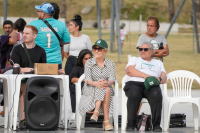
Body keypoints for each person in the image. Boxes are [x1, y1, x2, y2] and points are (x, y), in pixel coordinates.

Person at [124, 42, 167, 132]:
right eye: (140, 49)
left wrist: (158, 79)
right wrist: (147, 76)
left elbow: (164, 77)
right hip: (134, 83)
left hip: (151, 84)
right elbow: (129, 70)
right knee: (134, 93)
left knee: (156, 93)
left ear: (152, 51)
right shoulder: (134, 59)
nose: (142, 51)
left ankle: (156, 125)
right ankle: (131, 124)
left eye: (145, 49)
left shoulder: (158, 62)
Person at [11, 25, 47, 128]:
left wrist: (56, 71)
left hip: (37, 79)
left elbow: (43, 69)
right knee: (25, 86)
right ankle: (23, 119)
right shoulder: (17, 49)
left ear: (34, 35)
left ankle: (41, 118)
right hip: (21, 79)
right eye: (23, 33)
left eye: (27, 33)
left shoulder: (41, 51)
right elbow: (14, 69)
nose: (24, 35)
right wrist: (23, 69)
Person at [79, 39, 115, 131]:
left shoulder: (111, 63)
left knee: (105, 88)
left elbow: (112, 79)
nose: (96, 51)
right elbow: (88, 79)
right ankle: (106, 121)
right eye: (95, 48)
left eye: (99, 49)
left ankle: (96, 112)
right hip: (91, 87)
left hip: (106, 87)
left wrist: (107, 83)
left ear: (105, 51)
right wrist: (96, 83)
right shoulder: (89, 63)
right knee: (104, 88)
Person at [29, 2, 70, 70]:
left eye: (39, 11)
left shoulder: (33, 24)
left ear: (43, 14)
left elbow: (26, 39)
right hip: (55, 61)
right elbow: (67, 41)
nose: (38, 13)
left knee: (37, 80)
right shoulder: (61, 24)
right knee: (54, 80)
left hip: (38, 60)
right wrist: (55, 41)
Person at [70, 49, 92, 118]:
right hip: (83, 87)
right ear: (82, 60)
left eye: (89, 58)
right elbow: (73, 79)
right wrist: (83, 79)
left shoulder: (95, 67)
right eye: (86, 59)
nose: (88, 60)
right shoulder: (78, 68)